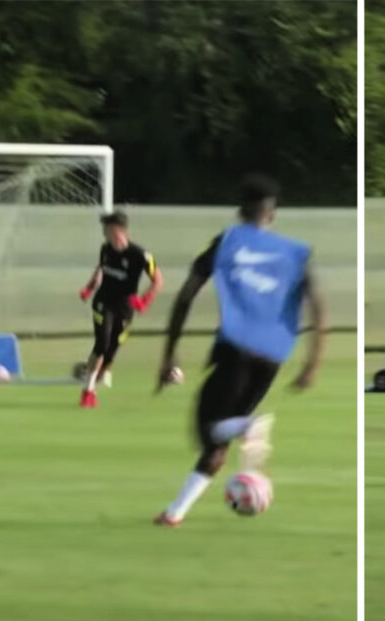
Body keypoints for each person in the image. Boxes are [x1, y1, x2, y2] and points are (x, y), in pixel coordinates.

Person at [153, 174, 326, 527]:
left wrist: (170, 353)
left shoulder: (227, 242)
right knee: (219, 439)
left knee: (206, 429)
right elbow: (318, 306)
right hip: (274, 355)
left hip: (236, 347)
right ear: (272, 214)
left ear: (239, 211)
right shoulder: (294, 253)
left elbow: (186, 295)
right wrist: (312, 364)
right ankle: (175, 513)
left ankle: (250, 425)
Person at [78, 211, 162, 407]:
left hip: (125, 307)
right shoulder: (105, 249)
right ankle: (87, 391)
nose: (104, 232)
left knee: (111, 351)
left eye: (106, 228)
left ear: (117, 230)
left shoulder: (141, 255)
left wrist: (144, 300)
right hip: (103, 302)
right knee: (102, 342)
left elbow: (158, 279)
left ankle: (94, 386)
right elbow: (101, 269)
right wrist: (89, 288)